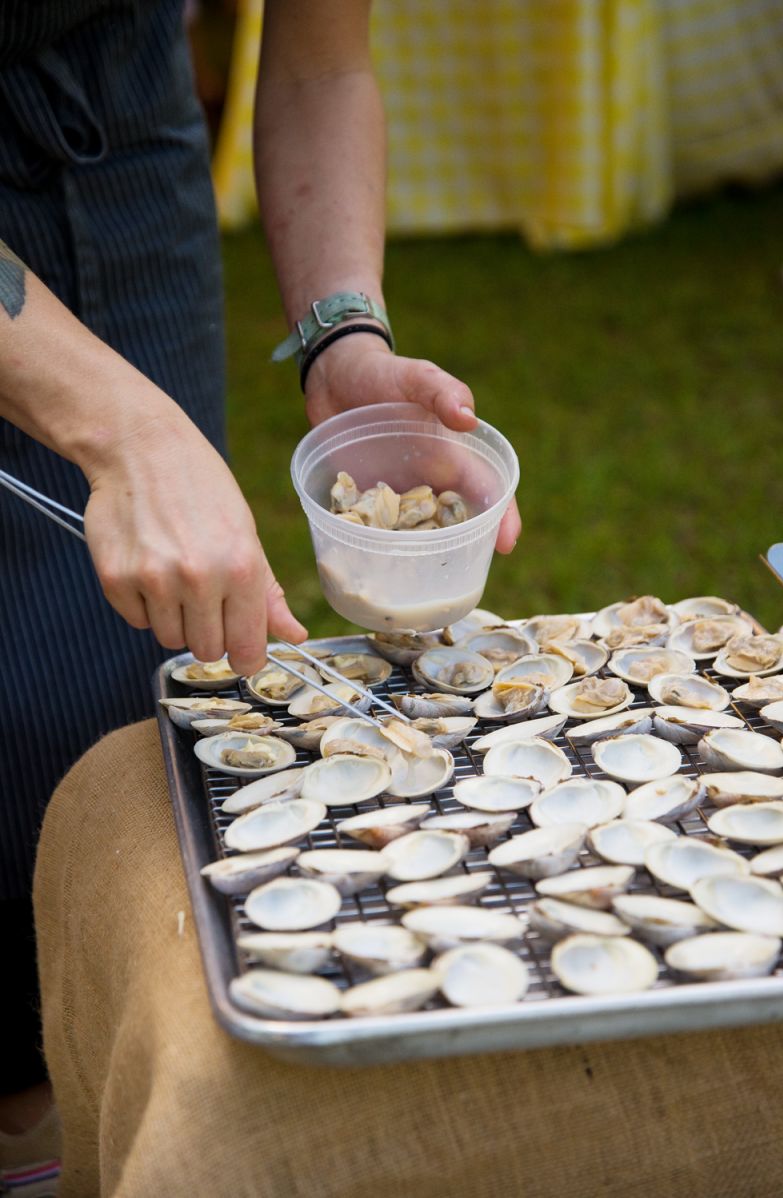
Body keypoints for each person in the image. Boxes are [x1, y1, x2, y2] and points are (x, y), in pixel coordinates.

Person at [0, 0, 521, 1186]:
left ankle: (68, 1105)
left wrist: (343, 332)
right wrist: (122, 433)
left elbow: (321, 62)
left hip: (123, 125)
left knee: (128, 698)